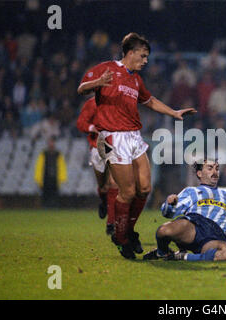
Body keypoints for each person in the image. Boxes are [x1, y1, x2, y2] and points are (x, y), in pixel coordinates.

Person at [77, 32, 196, 260]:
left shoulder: (135, 79)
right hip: (112, 137)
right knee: (128, 192)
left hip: (134, 136)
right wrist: (98, 83)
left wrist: (173, 112)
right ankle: (121, 239)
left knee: (144, 189)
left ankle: (128, 231)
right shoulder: (106, 68)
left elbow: (149, 101)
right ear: (130, 53)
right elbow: (82, 88)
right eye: (142, 56)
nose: (145, 61)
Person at [143, 159, 226, 261]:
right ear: (199, 173)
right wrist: (170, 204)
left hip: (214, 236)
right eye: (210, 168)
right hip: (193, 227)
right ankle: (162, 253)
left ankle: (181, 256)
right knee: (163, 231)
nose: (215, 172)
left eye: (217, 168)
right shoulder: (191, 191)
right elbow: (168, 214)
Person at [76, 97, 118, 235]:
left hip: (116, 146)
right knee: (103, 186)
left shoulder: (120, 102)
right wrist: (91, 127)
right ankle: (103, 200)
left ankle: (111, 223)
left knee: (113, 184)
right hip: (97, 146)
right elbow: (81, 122)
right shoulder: (92, 103)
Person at [34, 137, 67, 208]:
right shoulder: (43, 154)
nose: (51, 144)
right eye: (50, 142)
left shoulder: (58, 154)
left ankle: (55, 207)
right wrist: (39, 179)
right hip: (45, 178)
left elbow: (62, 167)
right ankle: (45, 207)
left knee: (55, 195)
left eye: (52, 142)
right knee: (46, 195)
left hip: (55, 179)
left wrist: (62, 178)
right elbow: (39, 167)